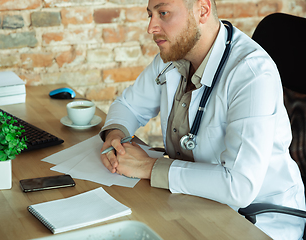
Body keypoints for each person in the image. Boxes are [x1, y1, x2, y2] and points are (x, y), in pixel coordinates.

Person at [99, 0, 306, 239]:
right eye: (150, 15)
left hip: (257, 220)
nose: (151, 27)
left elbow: (239, 186)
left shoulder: (251, 73)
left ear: (203, 11)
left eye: (163, 13)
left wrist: (148, 167)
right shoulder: (174, 57)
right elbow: (128, 106)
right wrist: (115, 136)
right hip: (195, 202)